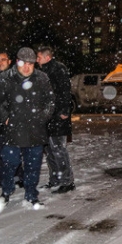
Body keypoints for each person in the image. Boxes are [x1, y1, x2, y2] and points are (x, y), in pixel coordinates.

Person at [0, 47, 54, 208]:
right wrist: (6, 118)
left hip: (35, 130)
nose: (27, 67)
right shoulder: (5, 78)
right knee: (10, 163)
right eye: (23, 63)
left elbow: (50, 101)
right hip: (13, 130)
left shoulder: (41, 78)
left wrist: (43, 117)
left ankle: (31, 194)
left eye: (30, 64)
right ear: (16, 62)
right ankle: (6, 191)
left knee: (33, 165)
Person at [36, 46, 75, 194]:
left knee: (58, 149)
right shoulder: (42, 71)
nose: (37, 60)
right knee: (49, 150)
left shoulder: (58, 69)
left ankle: (67, 181)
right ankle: (55, 179)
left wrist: (64, 110)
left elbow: (65, 91)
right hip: (47, 117)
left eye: (39, 57)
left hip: (57, 116)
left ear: (47, 57)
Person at [0, 51, 23, 192]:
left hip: (12, 121)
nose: (0, 62)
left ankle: (18, 177)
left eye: (3, 59)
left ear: (9, 61)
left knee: (15, 151)